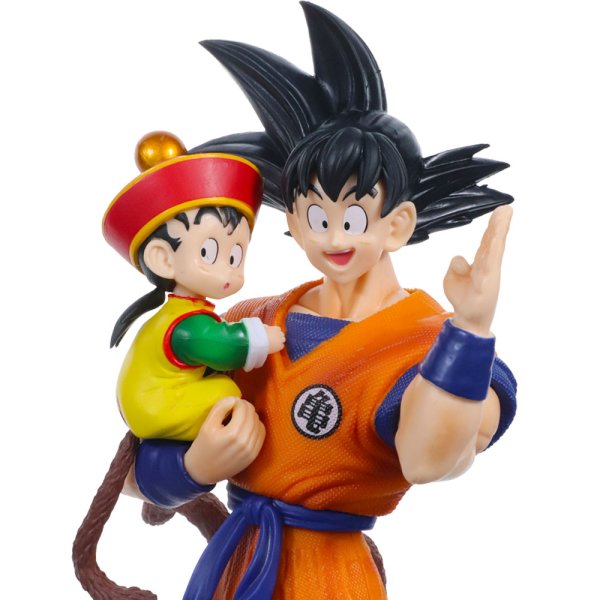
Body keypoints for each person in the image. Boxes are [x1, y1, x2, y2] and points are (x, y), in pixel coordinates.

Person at [82, 3, 518, 599]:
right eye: (315, 215)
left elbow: (429, 459)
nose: (334, 237)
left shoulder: (425, 341)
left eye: (354, 216)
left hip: (331, 577)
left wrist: (468, 330)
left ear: (397, 224)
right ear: (291, 220)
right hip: (235, 567)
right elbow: (135, 467)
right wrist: (193, 468)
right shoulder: (249, 321)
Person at [103, 131, 285, 441]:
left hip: (151, 403)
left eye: (235, 256)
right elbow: (223, 347)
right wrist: (261, 338)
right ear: (162, 259)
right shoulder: (187, 324)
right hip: (157, 407)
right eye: (209, 252)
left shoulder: (179, 314)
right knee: (227, 391)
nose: (228, 270)